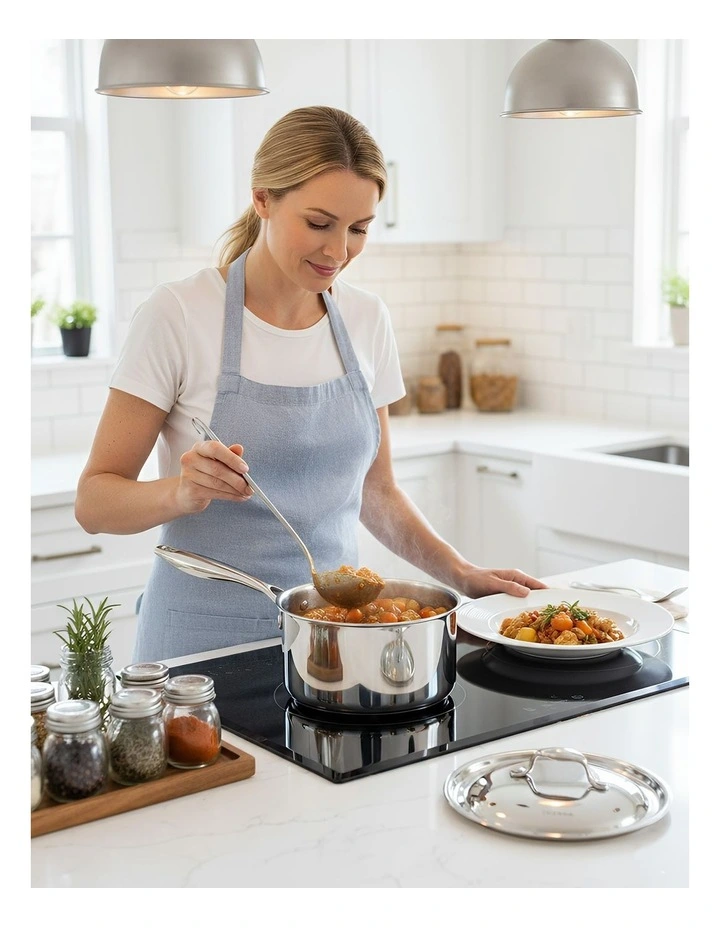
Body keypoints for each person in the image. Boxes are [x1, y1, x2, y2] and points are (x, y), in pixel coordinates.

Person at [75, 105, 545, 662]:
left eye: (359, 229)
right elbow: (94, 502)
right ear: (263, 199)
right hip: (199, 649)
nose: (338, 250)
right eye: (319, 223)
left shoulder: (367, 319)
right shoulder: (178, 313)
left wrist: (462, 573)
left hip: (332, 642)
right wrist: (182, 491)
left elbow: (377, 490)